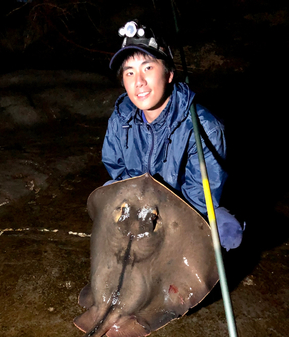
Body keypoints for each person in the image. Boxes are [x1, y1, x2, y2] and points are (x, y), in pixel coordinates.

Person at [102, 20, 243, 251]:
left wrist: (158, 220)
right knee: (106, 198)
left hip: (187, 210)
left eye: (148, 68)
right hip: (141, 203)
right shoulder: (120, 118)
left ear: (168, 74)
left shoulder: (205, 127)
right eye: (129, 72)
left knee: (228, 229)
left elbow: (200, 196)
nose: (139, 82)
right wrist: (133, 208)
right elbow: (117, 172)